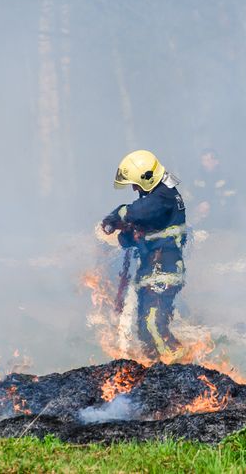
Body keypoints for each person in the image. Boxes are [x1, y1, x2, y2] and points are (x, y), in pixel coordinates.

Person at [101, 149, 186, 361]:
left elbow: (135, 212)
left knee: (153, 325)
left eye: (135, 183)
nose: (133, 188)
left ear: (146, 178)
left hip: (163, 267)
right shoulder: (159, 194)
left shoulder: (163, 196)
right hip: (153, 266)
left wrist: (117, 215)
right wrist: (125, 232)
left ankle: (176, 370)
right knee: (146, 329)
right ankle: (158, 370)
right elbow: (140, 230)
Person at [189, 148, 237, 230]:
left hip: (221, 215)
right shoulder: (196, 178)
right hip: (200, 215)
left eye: (208, 160)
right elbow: (189, 196)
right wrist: (197, 206)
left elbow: (231, 199)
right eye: (203, 160)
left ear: (216, 161)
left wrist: (211, 205)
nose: (205, 163)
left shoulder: (226, 178)